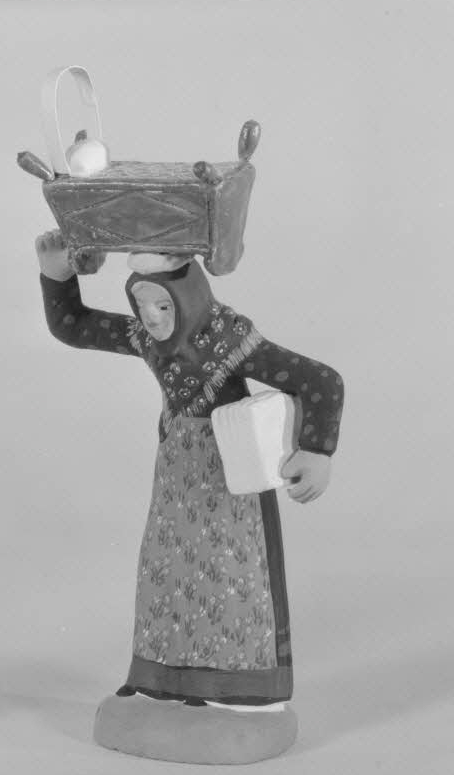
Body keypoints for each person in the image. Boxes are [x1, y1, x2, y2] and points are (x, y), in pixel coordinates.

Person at [36, 230, 343, 710]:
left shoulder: (230, 338)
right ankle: (170, 680)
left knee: (235, 575)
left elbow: (320, 379)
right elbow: (75, 327)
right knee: (168, 572)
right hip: (177, 475)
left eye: (164, 306)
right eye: (143, 307)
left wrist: (316, 450)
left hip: (230, 473)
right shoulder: (145, 338)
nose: (152, 320)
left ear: (190, 299)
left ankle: (244, 692)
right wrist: (57, 276)